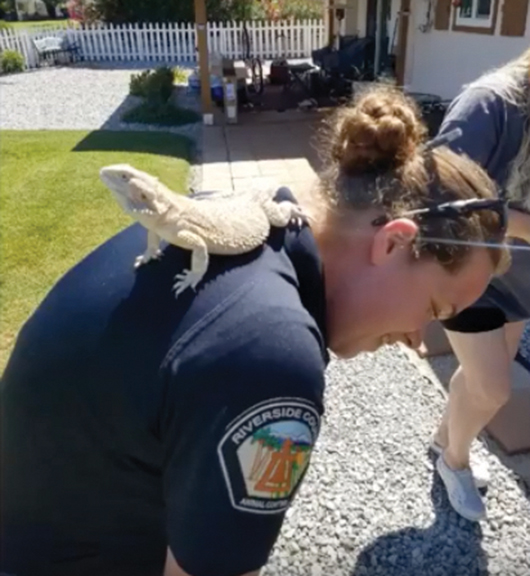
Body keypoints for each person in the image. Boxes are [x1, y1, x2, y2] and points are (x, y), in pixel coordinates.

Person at [1, 85, 509, 576]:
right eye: (433, 307)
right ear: (394, 243)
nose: (418, 340)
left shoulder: (238, 219)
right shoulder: (272, 352)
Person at [431, 47, 530, 523]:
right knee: (492, 389)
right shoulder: (489, 104)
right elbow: (440, 193)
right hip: (468, 275)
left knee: (478, 375)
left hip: (520, 283)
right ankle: (454, 461)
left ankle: (444, 436)